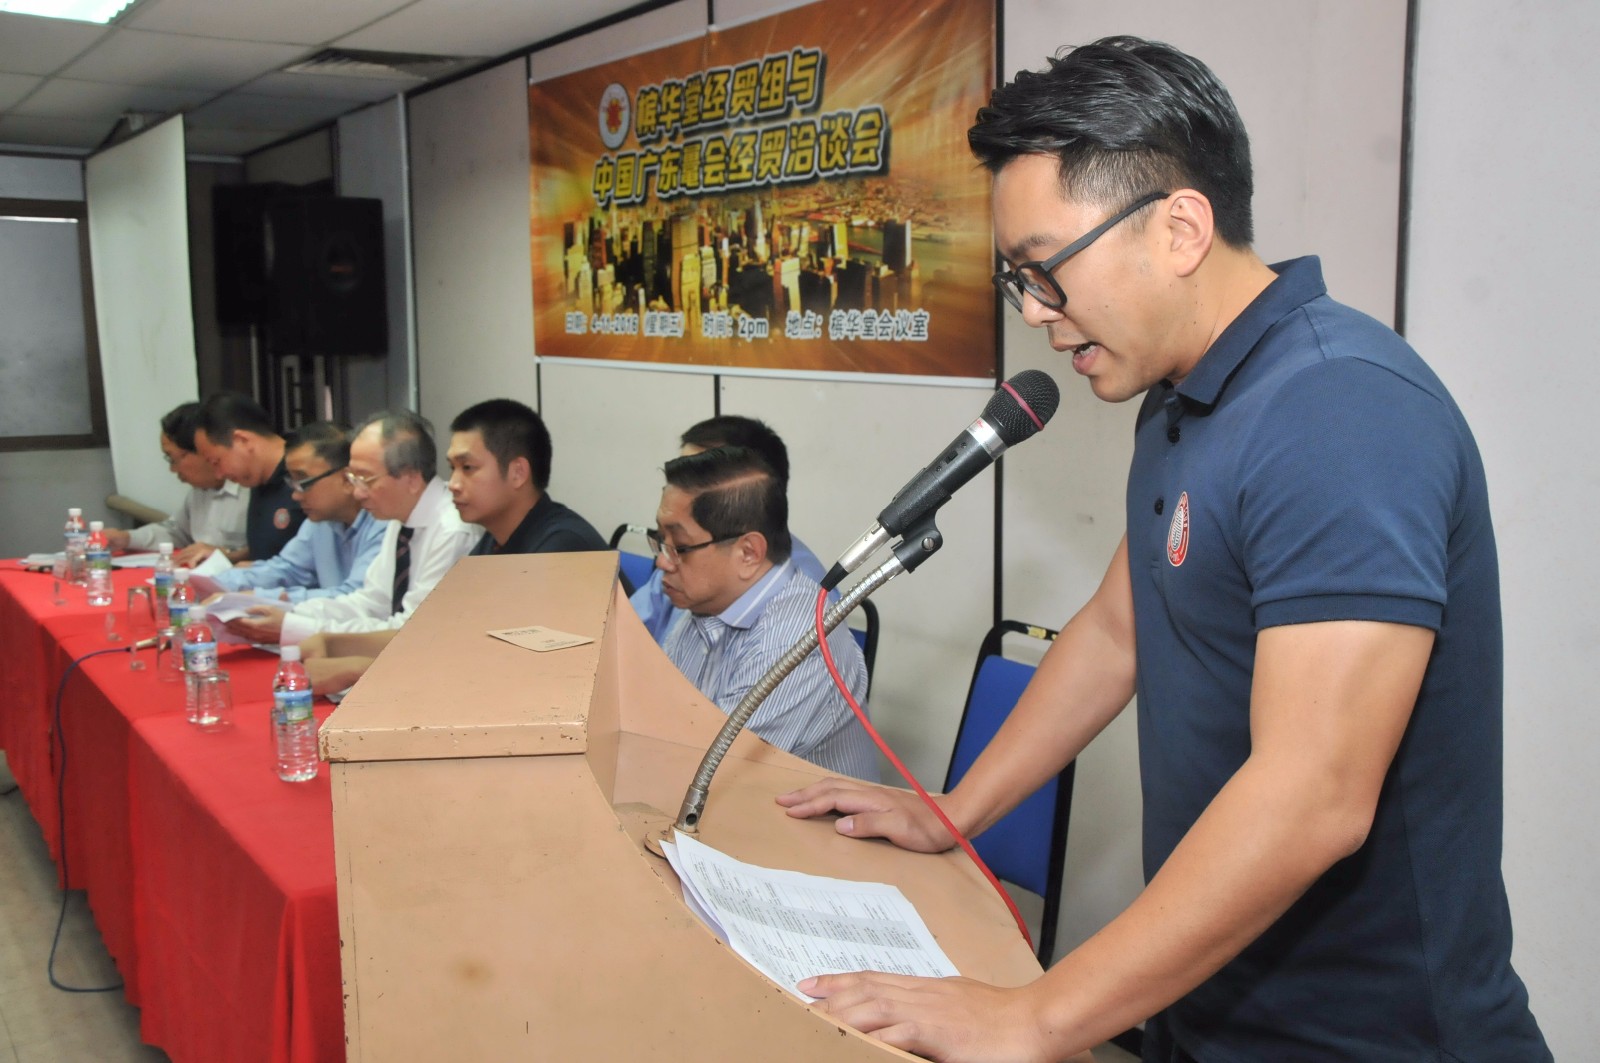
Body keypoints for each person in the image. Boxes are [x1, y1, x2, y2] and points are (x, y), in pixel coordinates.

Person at [778, 35, 1550, 1063]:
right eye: (1017, 281)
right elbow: (1116, 630)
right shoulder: (1186, 398)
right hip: (1211, 1004)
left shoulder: (1338, 409)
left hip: (1370, 1039)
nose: (1036, 314)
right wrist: (955, 811)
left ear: (1181, 227)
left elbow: (1314, 794)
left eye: (1046, 271)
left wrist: (1035, 1016)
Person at [654, 446, 876, 780]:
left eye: (679, 547)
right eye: (661, 540)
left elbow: (709, 776)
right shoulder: (706, 602)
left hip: (778, 809)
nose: (662, 560)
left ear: (748, 553)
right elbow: (657, 719)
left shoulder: (795, 642)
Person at [229, 410, 480, 645]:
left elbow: (409, 631)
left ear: (411, 479)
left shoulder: (451, 532)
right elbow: (370, 603)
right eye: (353, 478)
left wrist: (296, 627)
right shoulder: (400, 519)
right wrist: (291, 612)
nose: (357, 492)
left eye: (365, 479)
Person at [631, 415, 829, 642]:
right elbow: (620, 630)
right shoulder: (679, 557)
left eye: (699, 478)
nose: (679, 486)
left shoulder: (807, 609)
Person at [209, 421, 385, 606]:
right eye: (292, 483)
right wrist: (214, 582)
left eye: (303, 482)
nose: (295, 495)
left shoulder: (384, 524)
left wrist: (265, 597)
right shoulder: (319, 522)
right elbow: (288, 569)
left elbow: (356, 598)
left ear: (347, 479)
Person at [446, 399, 608, 556]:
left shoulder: (565, 544)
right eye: (452, 468)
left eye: (467, 467)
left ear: (518, 473)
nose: (453, 484)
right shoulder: (493, 540)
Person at [103, 401, 248, 565]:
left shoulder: (251, 489)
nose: (172, 469)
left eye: (173, 459)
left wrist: (229, 554)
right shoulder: (198, 492)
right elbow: (176, 532)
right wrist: (127, 538)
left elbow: (265, 553)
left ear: (204, 450)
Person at [192, 391, 304, 562]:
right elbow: (271, 549)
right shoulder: (256, 478)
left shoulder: (304, 475)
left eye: (216, 462)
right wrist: (230, 557)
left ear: (242, 440)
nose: (219, 474)